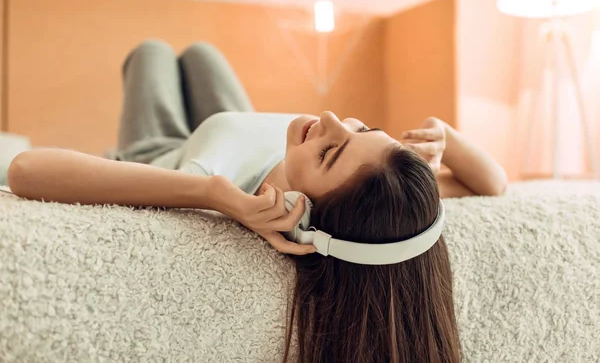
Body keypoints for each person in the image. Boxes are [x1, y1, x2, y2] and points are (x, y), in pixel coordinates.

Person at [8, 40, 507, 363]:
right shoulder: (380, 191)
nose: (333, 117)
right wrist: (448, 137)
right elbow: (494, 184)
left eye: (331, 151)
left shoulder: (220, 181)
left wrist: (211, 194)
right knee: (201, 53)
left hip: (165, 148)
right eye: (365, 128)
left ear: (305, 211)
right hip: (240, 119)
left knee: (151, 53)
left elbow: (25, 171)